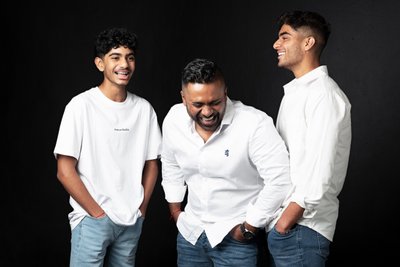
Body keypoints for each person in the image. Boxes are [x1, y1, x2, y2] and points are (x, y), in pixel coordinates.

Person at [161, 58, 292, 267]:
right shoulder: (173, 119)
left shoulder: (254, 124)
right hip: (190, 234)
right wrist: (176, 211)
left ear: (225, 93)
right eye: (197, 104)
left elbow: (280, 180)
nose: (207, 112)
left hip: (236, 239)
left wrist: (249, 228)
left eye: (215, 102)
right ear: (183, 98)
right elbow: (170, 164)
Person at [53, 27, 162, 267]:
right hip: (92, 220)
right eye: (116, 57)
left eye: (130, 57)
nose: (125, 64)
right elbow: (64, 170)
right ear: (100, 64)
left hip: (131, 220)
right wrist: (97, 214)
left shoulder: (144, 109)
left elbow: (152, 164)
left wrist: (141, 209)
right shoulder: (81, 106)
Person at [268, 10, 352, 266]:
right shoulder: (295, 93)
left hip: (302, 229)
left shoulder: (323, 95)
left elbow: (320, 170)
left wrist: (286, 222)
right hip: (286, 228)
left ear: (308, 43)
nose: (276, 44)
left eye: (284, 37)